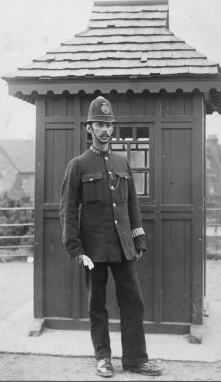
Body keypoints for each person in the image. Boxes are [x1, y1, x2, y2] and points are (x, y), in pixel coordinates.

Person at [59, 96, 162, 378]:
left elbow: (132, 205)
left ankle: (136, 360)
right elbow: (67, 210)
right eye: (99, 124)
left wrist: (138, 239)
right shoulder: (78, 164)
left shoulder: (122, 161)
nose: (105, 129)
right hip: (94, 250)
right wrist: (76, 249)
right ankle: (103, 358)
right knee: (97, 305)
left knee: (134, 303)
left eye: (108, 124)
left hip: (123, 247)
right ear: (89, 127)